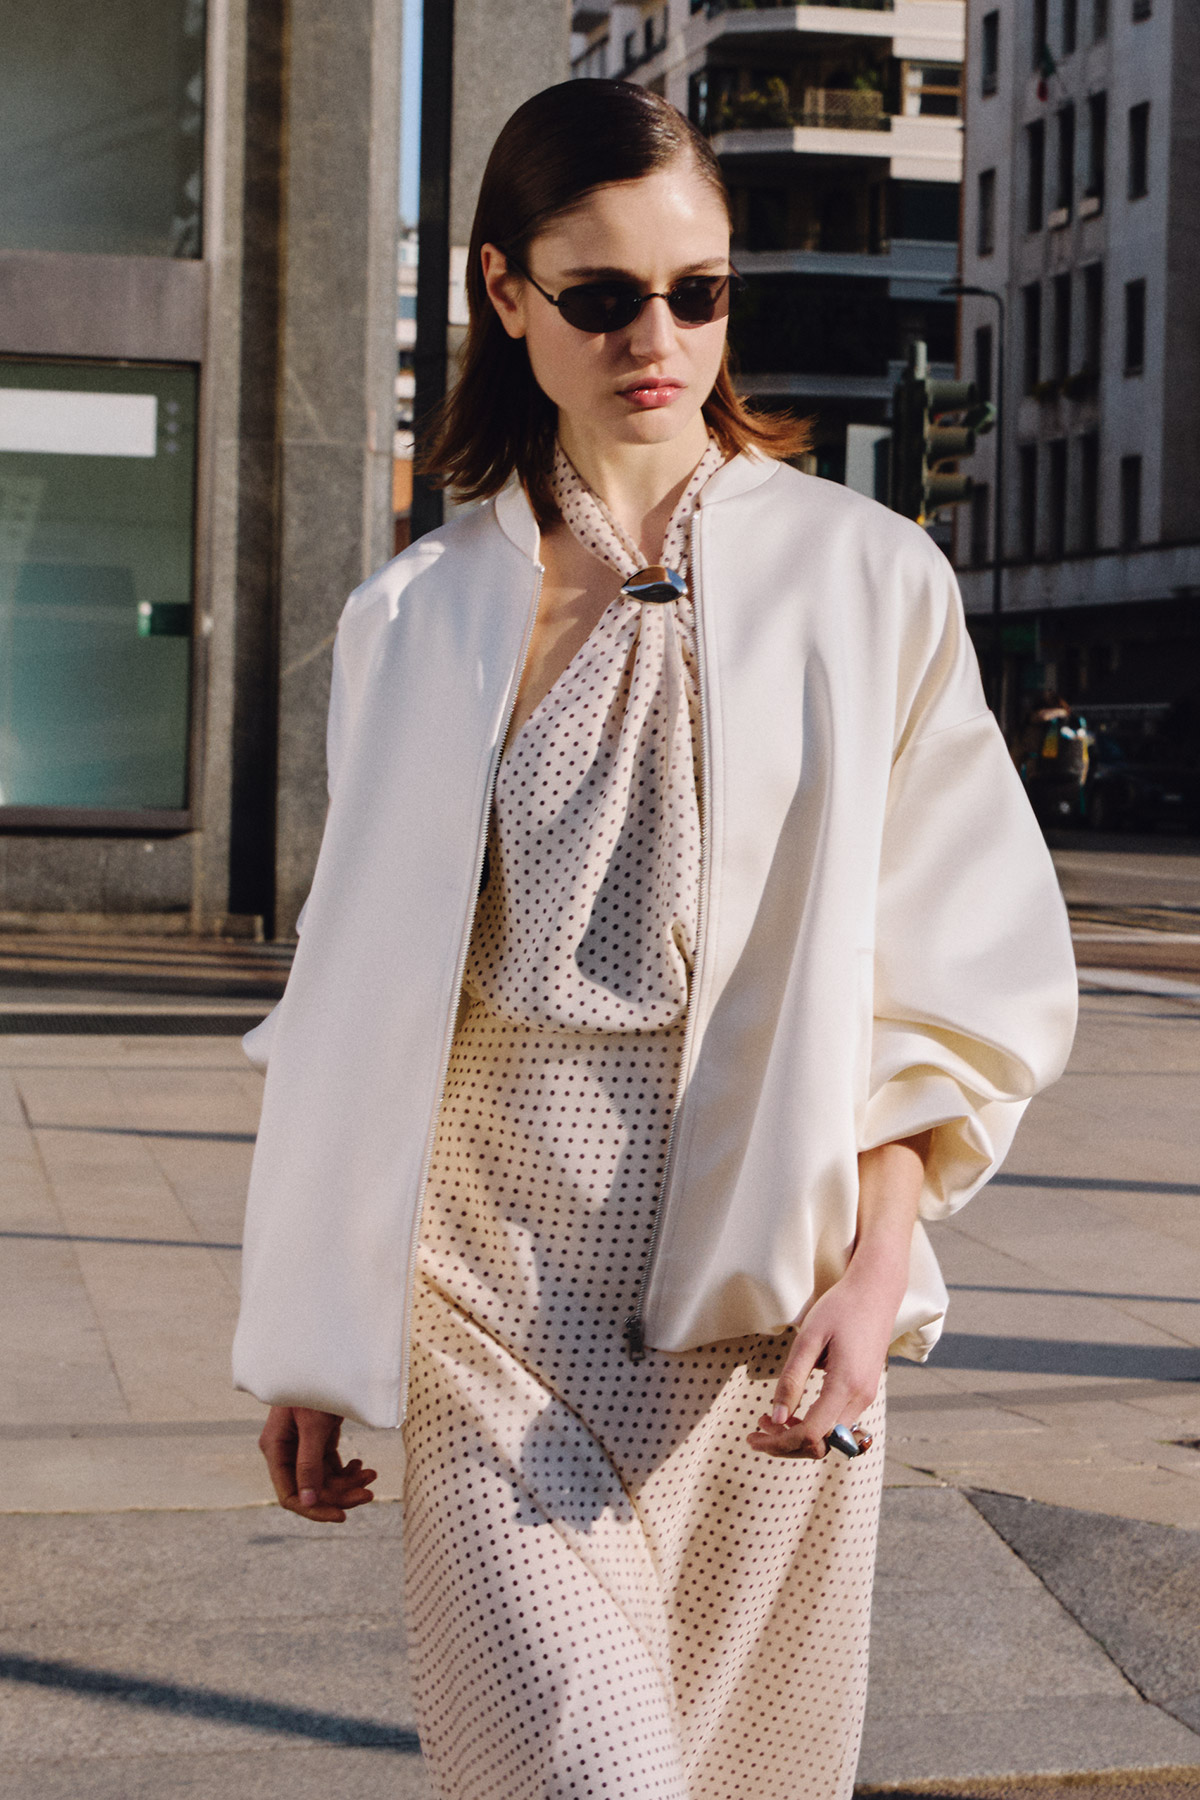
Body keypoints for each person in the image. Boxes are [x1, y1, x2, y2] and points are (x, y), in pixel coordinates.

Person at [233, 80, 1077, 1800]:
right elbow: (350, 1003)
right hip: (485, 1301)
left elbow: (955, 969)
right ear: (505, 292)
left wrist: (877, 1258)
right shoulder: (412, 618)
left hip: (762, 1313)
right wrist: (309, 1333)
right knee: (586, 1775)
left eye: (697, 292)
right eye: (604, 294)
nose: (659, 339)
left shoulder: (873, 577)